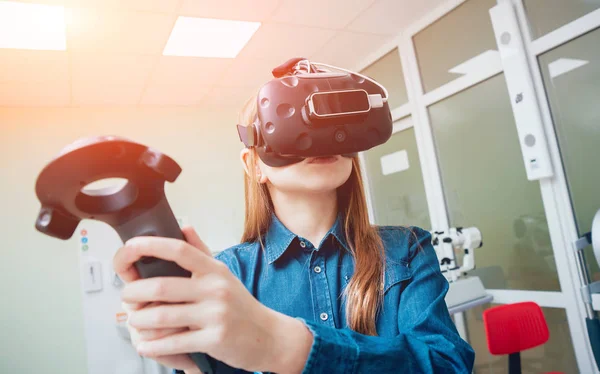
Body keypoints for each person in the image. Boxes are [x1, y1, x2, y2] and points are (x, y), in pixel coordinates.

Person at [113, 79, 476, 374]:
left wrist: (285, 345)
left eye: (330, 123)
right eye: (289, 124)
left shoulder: (406, 250)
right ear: (254, 164)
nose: (317, 136)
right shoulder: (228, 276)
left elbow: (449, 366)